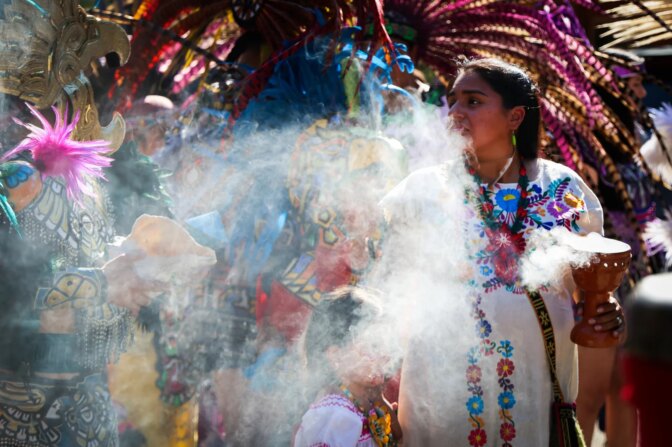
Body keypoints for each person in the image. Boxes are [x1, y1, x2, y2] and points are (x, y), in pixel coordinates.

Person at [381, 58, 627, 446]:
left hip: (535, 384)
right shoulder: (421, 192)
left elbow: (591, 290)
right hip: (440, 387)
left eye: (473, 101)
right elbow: (387, 293)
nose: (456, 112)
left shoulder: (562, 189)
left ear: (515, 117)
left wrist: (605, 311)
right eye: (454, 101)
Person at [294, 287, 401, 447]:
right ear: (336, 355)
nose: (385, 355)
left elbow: (397, 439)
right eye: (373, 345)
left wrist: (381, 401)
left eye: (384, 343)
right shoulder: (335, 415)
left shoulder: (364, 402)